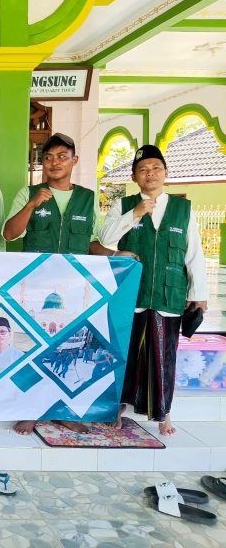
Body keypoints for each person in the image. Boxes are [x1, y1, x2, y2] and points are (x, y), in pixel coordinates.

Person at [99, 144, 208, 435]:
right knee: (125, 353)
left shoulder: (182, 209)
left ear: (165, 173)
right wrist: (134, 213)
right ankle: (118, 406)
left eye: (156, 168)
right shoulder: (123, 205)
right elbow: (106, 238)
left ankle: (164, 412)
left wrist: (199, 294)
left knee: (165, 355)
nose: (150, 174)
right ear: (134, 177)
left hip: (168, 294)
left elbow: (193, 253)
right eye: (143, 169)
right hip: (131, 294)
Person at [3, 132, 99, 435]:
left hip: (75, 288)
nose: (54, 163)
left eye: (61, 157)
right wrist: (32, 205)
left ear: (74, 160)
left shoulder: (87, 199)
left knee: (71, 349)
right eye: (48, 157)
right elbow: (9, 234)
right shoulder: (29, 193)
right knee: (32, 347)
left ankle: (63, 411)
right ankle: (30, 410)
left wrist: (116, 255)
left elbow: (93, 242)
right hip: (36, 288)